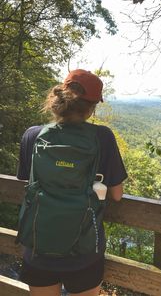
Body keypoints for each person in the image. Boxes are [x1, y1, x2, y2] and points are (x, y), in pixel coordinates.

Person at [17, 69, 128, 296]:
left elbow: (25, 182)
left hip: (39, 247)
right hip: (84, 251)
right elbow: (116, 195)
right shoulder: (103, 137)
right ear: (92, 107)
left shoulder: (33, 135)